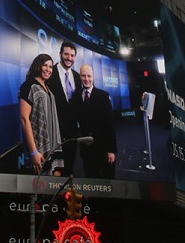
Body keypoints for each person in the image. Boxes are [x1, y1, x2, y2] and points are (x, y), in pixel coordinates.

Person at [19, 54, 63, 175]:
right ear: (38, 66)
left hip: (51, 149)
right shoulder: (29, 86)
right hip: (37, 150)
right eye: (45, 65)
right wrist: (33, 152)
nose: (48, 69)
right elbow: (24, 119)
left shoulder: (48, 87)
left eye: (50, 67)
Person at [75, 64, 116, 179]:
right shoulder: (77, 95)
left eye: (89, 76)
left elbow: (110, 124)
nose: (86, 79)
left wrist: (111, 150)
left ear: (93, 77)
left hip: (103, 149)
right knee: (91, 181)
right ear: (80, 77)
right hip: (86, 150)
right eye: (83, 76)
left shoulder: (103, 96)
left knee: (108, 183)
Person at [48, 41, 82, 174]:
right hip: (54, 131)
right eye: (66, 54)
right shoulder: (50, 73)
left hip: (72, 133)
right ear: (60, 54)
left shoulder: (77, 77)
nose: (69, 58)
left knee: (69, 166)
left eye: (72, 55)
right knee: (54, 169)